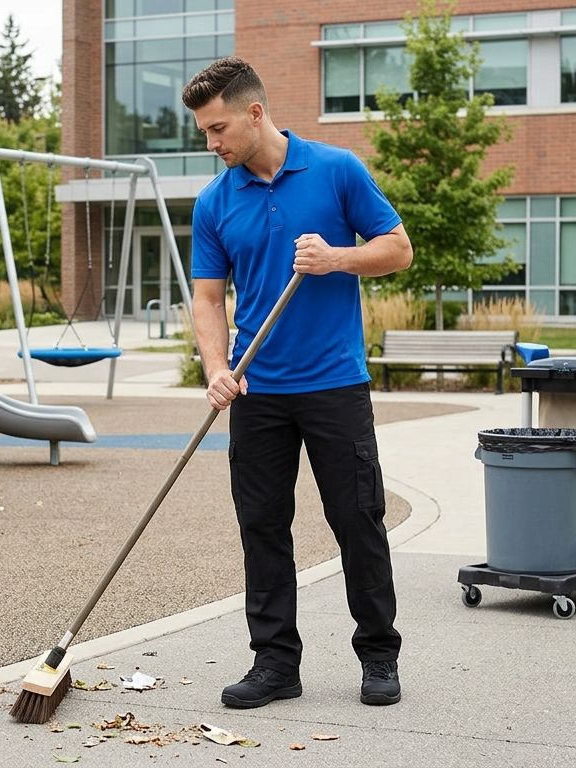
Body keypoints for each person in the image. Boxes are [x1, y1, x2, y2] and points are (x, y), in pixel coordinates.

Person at [181, 57, 414, 709]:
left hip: (335, 385)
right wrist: (217, 369)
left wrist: (337, 257)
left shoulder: (337, 170)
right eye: (205, 132)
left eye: (219, 127)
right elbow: (206, 299)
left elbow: (398, 248)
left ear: (255, 112)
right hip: (257, 394)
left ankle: (378, 655)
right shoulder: (215, 201)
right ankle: (275, 664)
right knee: (262, 525)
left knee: (357, 519)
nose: (213, 142)